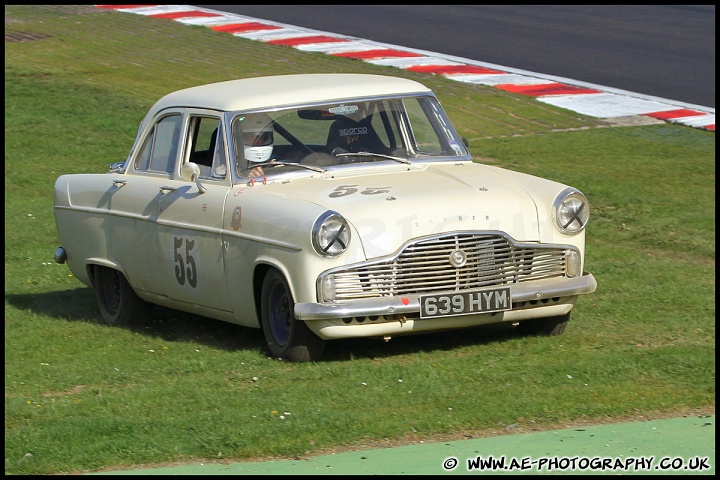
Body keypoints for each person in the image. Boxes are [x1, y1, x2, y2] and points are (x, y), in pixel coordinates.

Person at [241, 113, 274, 177]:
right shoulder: (230, 160)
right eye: (251, 136)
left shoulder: (276, 157)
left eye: (264, 137)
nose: (259, 141)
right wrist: (244, 174)